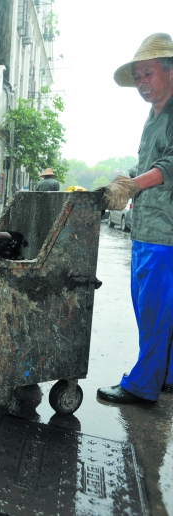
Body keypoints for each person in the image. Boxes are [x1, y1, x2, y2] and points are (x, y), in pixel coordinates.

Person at [97, 33, 173, 404]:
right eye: (138, 77)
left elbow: (169, 165)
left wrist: (133, 185)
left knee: (154, 311)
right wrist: (125, 178)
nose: (142, 83)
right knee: (155, 311)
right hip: (146, 229)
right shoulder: (153, 116)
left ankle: (143, 387)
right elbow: (147, 165)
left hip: (165, 234)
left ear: (170, 72)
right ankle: (167, 376)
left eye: (149, 73)